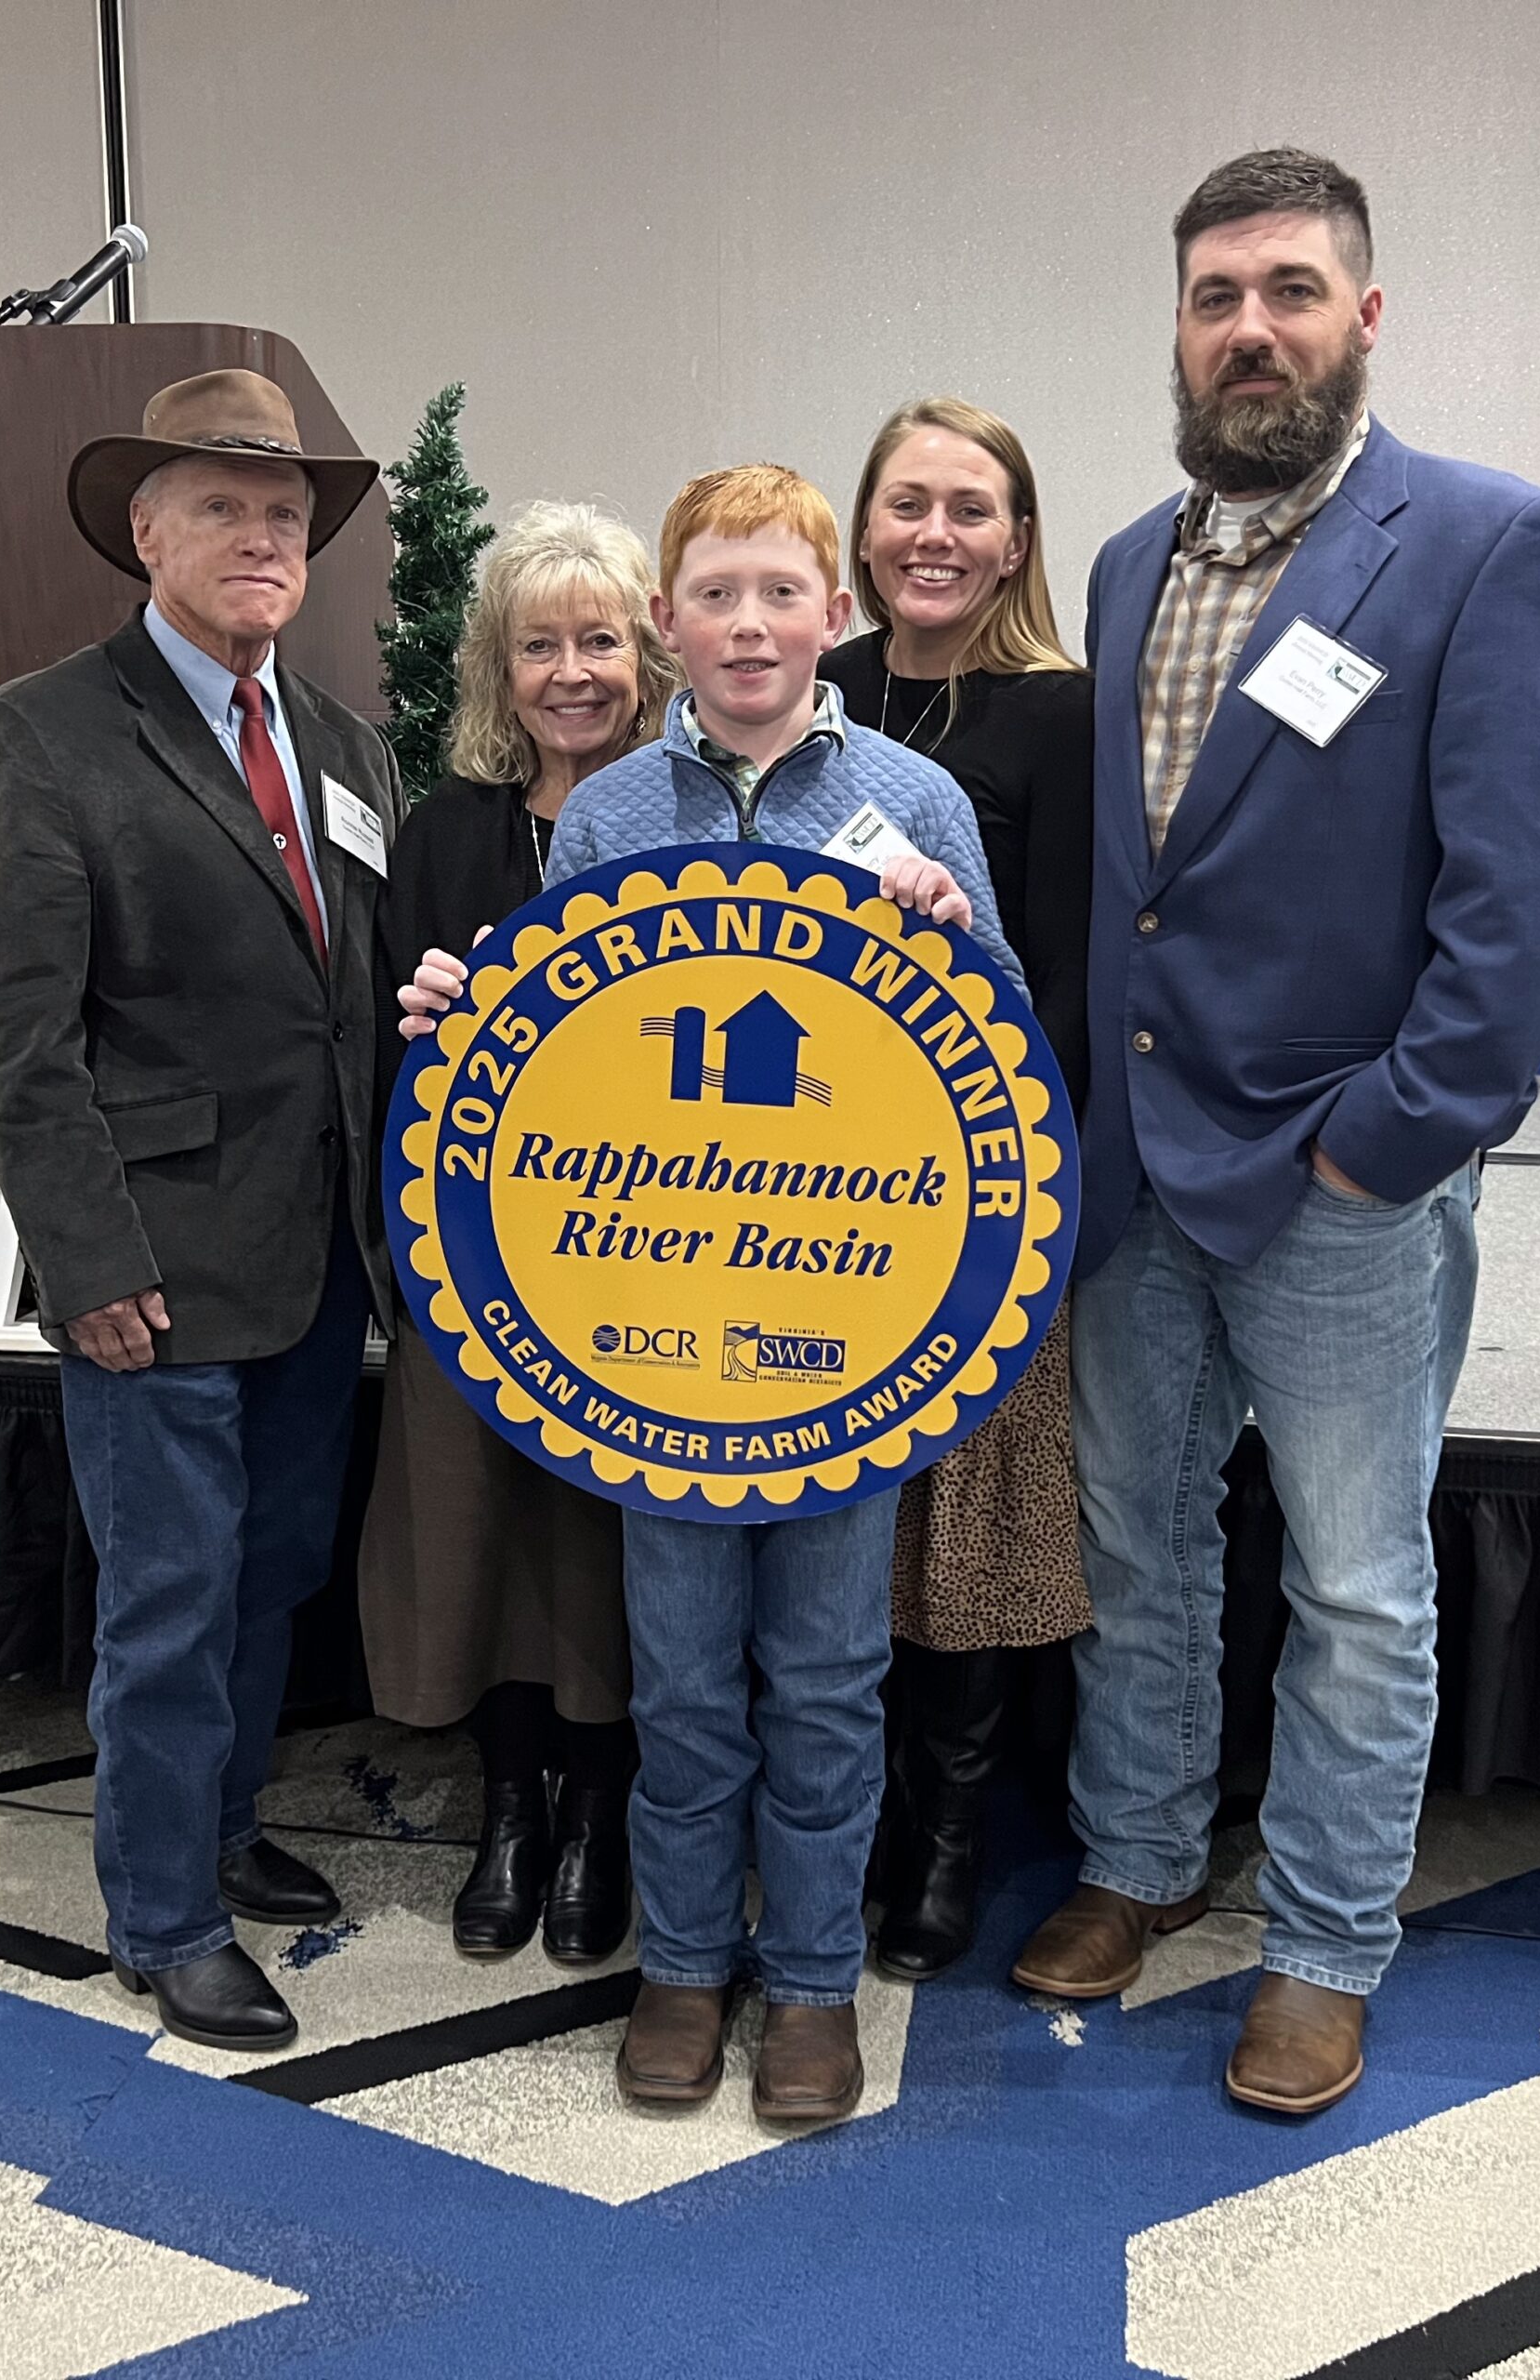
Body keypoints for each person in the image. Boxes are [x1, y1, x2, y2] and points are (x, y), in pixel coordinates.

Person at [1011, 151, 1540, 2113]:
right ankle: (1135, 1851)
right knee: (1139, 1536)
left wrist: (1391, 1138)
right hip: (1139, 1172)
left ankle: (1327, 1939)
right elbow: (1144, 889)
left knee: (1356, 1579)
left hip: (1341, 1180)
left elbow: (1520, 899)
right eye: (1211, 295)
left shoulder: (1488, 540)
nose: (1245, 325)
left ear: (1365, 315)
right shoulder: (1121, 564)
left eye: (1286, 287)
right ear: (1174, 332)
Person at [402, 465, 1023, 2123]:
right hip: (658, 1345)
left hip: (847, 1337)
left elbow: (1008, 1056)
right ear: (672, 627)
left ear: (838, 613)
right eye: (715, 597)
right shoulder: (607, 814)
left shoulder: (912, 797)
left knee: (826, 1679)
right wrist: (469, 1019)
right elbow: (555, 1081)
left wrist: (953, 940)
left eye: (780, 594)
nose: (749, 625)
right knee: (676, 1679)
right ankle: (683, 1963)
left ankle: (809, 1981)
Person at [0, 370, 397, 2053]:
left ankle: (217, 1829)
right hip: (148, 1265)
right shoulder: (48, 728)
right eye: (221, 507)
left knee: (270, 1575)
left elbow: (347, 1005)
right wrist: (84, 1258)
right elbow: (23, 1029)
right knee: (166, 1600)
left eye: (284, 514)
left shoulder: (344, 744)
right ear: (146, 534)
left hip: (312, 1263)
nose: (261, 537)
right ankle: (162, 1915)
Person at [362, 502, 677, 1964]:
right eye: (538, 644)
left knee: (606, 1550)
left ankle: (598, 1814)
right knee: (475, 1539)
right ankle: (508, 1810)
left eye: (599, 640)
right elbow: (385, 1056)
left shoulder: (693, 823)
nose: (570, 672)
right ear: (499, 668)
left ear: (646, 655)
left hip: (646, 1270)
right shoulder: (440, 836)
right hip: (471, 1264)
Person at [819, 397, 1094, 1982]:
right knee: (835, 1509)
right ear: (860, 530)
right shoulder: (816, 690)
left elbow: (1055, 974)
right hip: (805, 1198)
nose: (934, 533)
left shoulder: (1057, 712)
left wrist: (991, 1184)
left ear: (1015, 540)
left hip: (976, 1191)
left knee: (963, 1530)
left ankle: (940, 1842)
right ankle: (840, 1820)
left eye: (969, 508)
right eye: (906, 502)